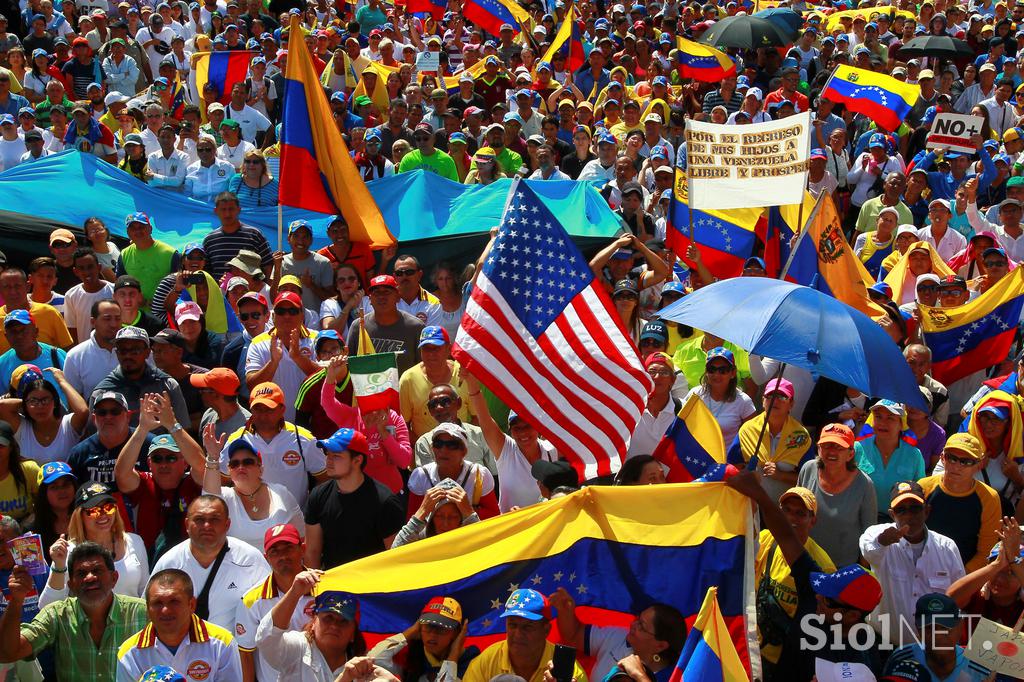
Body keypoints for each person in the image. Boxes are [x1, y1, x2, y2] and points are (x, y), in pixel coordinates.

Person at [726, 470, 884, 680]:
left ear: (852, 616)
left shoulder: (858, 659)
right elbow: (785, 535)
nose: (818, 596)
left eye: (828, 599)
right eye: (824, 585)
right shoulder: (815, 587)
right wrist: (758, 494)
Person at [0, 543, 148, 681]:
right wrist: (17, 599)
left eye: (97, 570)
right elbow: (8, 653)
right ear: (71, 584)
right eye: (81, 573)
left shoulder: (142, 612)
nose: (90, 578)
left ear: (114, 578)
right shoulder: (56, 615)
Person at [859, 481, 966, 648]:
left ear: (927, 511)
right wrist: (882, 541)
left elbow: (960, 596)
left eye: (915, 508)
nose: (909, 515)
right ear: (892, 514)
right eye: (901, 510)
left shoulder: (947, 547)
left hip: (933, 648)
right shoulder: (876, 534)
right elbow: (869, 551)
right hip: (885, 644)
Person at [151, 495, 271, 630]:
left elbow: (269, 609)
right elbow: (151, 611)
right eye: (199, 519)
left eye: (215, 519)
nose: (207, 526)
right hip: (185, 648)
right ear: (187, 525)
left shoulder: (250, 560)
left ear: (227, 525)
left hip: (236, 648)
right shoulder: (169, 563)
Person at [113, 392, 205, 563]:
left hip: (191, 563)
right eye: (157, 458)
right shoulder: (144, 482)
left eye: (171, 458)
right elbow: (121, 474)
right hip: (151, 565)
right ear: (149, 463)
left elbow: (201, 465)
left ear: (184, 463)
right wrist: (142, 429)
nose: (164, 464)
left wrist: (173, 424)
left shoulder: (193, 483)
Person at [302, 428, 405, 570]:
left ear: (357, 461)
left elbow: (395, 555)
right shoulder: (318, 496)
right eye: (328, 454)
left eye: (336, 456)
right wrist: (312, 591)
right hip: (333, 586)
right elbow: (312, 552)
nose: (329, 460)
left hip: (372, 586)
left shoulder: (385, 502)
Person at [116, 568, 242, 681]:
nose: (165, 610)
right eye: (157, 603)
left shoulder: (222, 643)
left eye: (174, 601)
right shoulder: (129, 653)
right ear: (148, 608)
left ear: (191, 604)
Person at [38, 479, 149, 606]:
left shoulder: (135, 541)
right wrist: (58, 566)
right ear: (80, 516)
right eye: (94, 510)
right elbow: (46, 606)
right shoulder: (68, 551)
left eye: (108, 508)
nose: (103, 515)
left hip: (133, 623)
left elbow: (145, 592)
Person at [216, 381, 324, 507]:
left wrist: (311, 509)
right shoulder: (237, 439)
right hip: (252, 521)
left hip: (294, 521)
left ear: (282, 409)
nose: (263, 415)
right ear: (250, 408)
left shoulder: (303, 439)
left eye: (269, 409)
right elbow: (222, 481)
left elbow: (325, 478)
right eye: (258, 409)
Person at [464, 373, 558, 513]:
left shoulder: (553, 451)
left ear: (538, 427)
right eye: (517, 428)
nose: (523, 433)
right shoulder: (506, 450)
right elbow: (484, 417)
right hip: (514, 530)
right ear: (510, 431)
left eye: (527, 426)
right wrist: (471, 381)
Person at [550, 587, 686, 682]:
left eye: (642, 626)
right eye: (637, 619)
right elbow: (574, 635)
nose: (633, 625)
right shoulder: (618, 637)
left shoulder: (674, 676)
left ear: (660, 645)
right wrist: (565, 611)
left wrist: (638, 675)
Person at [255, 569, 370, 682]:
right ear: (314, 622)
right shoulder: (298, 647)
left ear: (353, 635)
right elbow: (266, 639)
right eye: (328, 618)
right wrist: (294, 593)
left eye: (343, 621)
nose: (334, 626)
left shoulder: (363, 669)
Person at [235, 523, 313, 682]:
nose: (283, 556)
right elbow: (246, 654)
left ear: (302, 549)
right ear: (266, 557)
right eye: (275, 551)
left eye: (288, 548)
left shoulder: (325, 589)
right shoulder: (251, 600)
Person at [202, 433, 304, 550]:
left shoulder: (281, 493)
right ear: (229, 471)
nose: (240, 467)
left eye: (247, 462)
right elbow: (207, 501)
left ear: (260, 469)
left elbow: (302, 537)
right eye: (234, 464)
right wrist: (212, 457)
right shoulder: (224, 498)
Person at [463, 588, 588, 682]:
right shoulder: (485, 663)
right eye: (512, 625)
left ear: (546, 630)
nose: (518, 634)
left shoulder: (569, 671)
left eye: (527, 627)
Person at [919, 433, 1002, 572]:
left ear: (979, 465)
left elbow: (986, 551)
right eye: (951, 458)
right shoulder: (923, 487)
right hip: (920, 569)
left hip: (964, 574)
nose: (957, 466)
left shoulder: (989, 498)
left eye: (966, 461)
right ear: (942, 458)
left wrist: (959, 577)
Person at [796, 423, 877, 566]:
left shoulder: (865, 484)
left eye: (839, 447)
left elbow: (869, 536)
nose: (832, 452)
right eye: (827, 446)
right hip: (806, 560)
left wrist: (863, 572)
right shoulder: (808, 469)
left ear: (850, 454)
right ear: (819, 449)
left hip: (843, 567)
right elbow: (795, 514)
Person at [727, 378, 811, 503]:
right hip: (751, 506)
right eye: (770, 396)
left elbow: (809, 479)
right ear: (762, 400)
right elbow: (731, 468)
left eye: (782, 396)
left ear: (791, 404)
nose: (775, 400)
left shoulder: (801, 437)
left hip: (785, 510)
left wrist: (781, 475)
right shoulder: (747, 430)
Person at [92, 325, 191, 429]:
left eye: (135, 350)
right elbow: (95, 436)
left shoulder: (168, 385)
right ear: (116, 353)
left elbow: (182, 430)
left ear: (148, 353)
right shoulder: (102, 392)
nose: (128, 356)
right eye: (123, 351)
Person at [245, 292, 321, 422]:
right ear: (273, 316)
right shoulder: (258, 343)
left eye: (292, 311)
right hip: (274, 424)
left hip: (312, 422)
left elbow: (327, 380)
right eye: (281, 311)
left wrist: (298, 357)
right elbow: (252, 385)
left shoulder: (317, 339)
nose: (287, 316)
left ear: (302, 315)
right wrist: (273, 363)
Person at [880, 593, 991, 681]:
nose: (938, 635)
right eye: (930, 628)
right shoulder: (901, 658)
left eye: (946, 627)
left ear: (960, 626)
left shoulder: (980, 668)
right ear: (918, 629)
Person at [406, 422, 497, 519]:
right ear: (432, 449)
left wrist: (467, 510)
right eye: (438, 444)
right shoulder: (421, 475)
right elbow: (411, 519)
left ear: (464, 451)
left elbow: (494, 515)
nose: (443, 450)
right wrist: (425, 509)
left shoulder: (479, 475)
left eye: (452, 445)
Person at [399, 326, 474, 442]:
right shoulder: (408, 379)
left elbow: (477, 416)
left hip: (462, 449)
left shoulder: (464, 374)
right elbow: (403, 425)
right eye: (426, 348)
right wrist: (425, 448)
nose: (431, 353)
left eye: (436, 348)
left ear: (449, 349)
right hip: (424, 454)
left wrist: (466, 444)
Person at [854, 400, 926, 517]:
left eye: (890, 418)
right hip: (861, 518)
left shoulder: (914, 455)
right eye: (878, 417)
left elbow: (920, 490)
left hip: (899, 520)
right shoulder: (858, 449)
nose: (883, 423)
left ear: (901, 424)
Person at [345, 275, 424, 376]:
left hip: (405, 390)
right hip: (369, 389)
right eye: (376, 293)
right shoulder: (358, 326)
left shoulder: (415, 327)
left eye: (386, 292)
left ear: (397, 296)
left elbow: (423, 366)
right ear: (370, 299)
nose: (381, 296)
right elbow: (349, 364)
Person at [413, 384, 497, 475]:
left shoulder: (480, 434)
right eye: (433, 404)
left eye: (445, 401)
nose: (439, 408)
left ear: (459, 403)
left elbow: (495, 473)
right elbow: (427, 481)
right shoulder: (424, 443)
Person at [683, 348, 756, 447]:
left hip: (727, 460)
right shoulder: (694, 394)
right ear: (706, 371)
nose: (716, 375)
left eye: (723, 370)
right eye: (712, 369)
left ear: (733, 373)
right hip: (695, 458)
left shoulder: (744, 401)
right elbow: (681, 425)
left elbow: (753, 436)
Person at [62, 298, 121, 399]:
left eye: (117, 318)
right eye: (107, 319)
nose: (113, 324)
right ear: (93, 322)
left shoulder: (135, 352)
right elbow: (73, 399)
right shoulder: (75, 356)